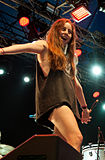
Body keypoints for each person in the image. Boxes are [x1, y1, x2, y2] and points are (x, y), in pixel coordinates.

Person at [0, 18, 91, 152]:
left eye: (70, 31)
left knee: (61, 145)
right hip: (56, 101)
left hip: (67, 102)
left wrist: (84, 108)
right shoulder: (45, 46)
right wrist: (2, 51)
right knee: (76, 138)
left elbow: (77, 86)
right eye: (63, 29)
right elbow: (25, 48)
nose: (66, 33)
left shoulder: (69, 60)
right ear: (55, 31)